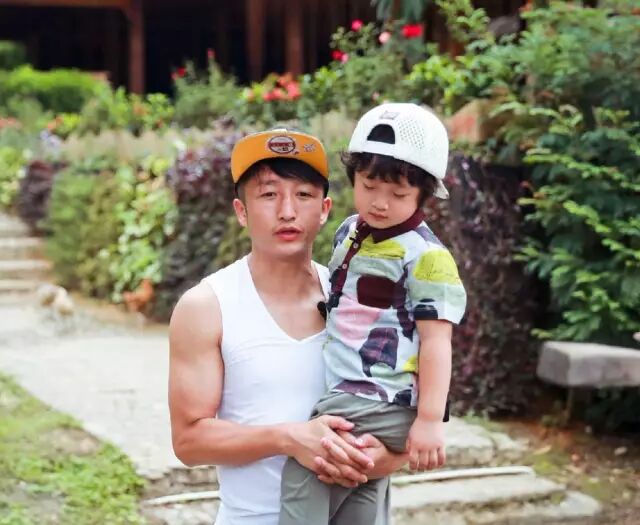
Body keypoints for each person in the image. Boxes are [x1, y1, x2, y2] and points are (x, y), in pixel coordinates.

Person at [168, 129, 404, 525]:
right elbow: (189, 440)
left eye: (303, 195)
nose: (287, 211)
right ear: (241, 211)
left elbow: (406, 416)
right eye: (268, 194)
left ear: (325, 209)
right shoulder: (207, 307)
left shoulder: (358, 298)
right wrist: (288, 438)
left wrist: (381, 457)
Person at [279, 103, 468, 525]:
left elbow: (437, 342)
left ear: (423, 194)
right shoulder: (349, 232)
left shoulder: (428, 257)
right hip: (354, 392)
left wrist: (430, 420)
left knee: (310, 462)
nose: (380, 203)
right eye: (368, 186)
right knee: (360, 484)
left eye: (398, 195)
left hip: (376, 398)